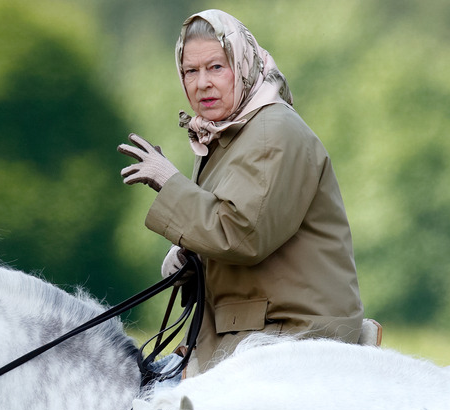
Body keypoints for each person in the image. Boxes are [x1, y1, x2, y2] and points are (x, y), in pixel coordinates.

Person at [117, 9, 364, 375]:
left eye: (216, 67)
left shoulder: (272, 131)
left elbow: (242, 234)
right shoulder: (229, 135)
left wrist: (170, 182)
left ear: (243, 64)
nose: (202, 83)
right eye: (191, 71)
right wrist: (191, 259)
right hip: (252, 335)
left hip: (295, 339)